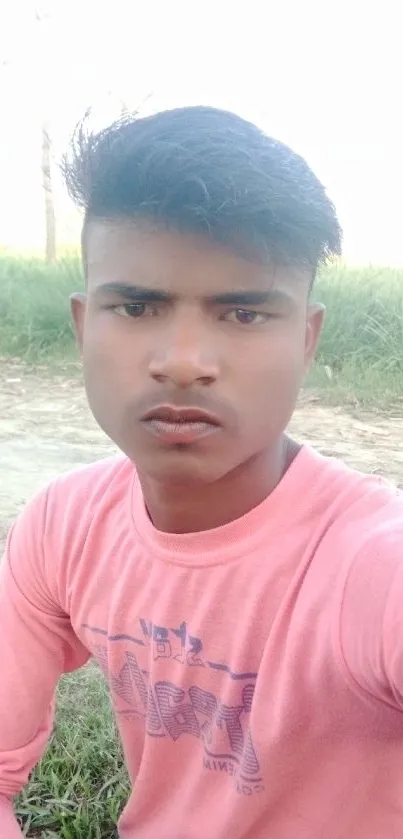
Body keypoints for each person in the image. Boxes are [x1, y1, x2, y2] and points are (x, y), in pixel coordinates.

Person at [1, 105, 402, 839]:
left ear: (305, 341)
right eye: (138, 305)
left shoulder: (373, 564)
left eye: (242, 315)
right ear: (82, 324)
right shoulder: (64, 523)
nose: (183, 361)